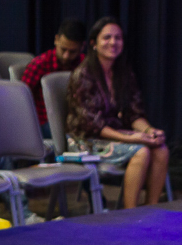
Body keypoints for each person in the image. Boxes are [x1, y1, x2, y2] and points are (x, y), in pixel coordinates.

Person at [66, 16, 170, 209]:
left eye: (118, 38)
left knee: (161, 149)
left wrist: (148, 131)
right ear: (93, 44)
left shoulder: (123, 73)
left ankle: (152, 208)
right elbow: (94, 126)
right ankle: (129, 213)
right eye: (107, 38)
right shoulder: (83, 75)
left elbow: (134, 113)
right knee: (141, 151)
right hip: (85, 140)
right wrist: (135, 139)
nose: (113, 42)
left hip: (115, 135)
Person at [20, 18, 86, 137]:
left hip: (76, 119)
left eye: (72, 52)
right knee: (70, 136)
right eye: (63, 49)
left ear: (82, 47)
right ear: (56, 40)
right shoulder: (40, 64)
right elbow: (20, 99)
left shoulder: (84, 64)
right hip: (45, 123)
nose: (66, 56)